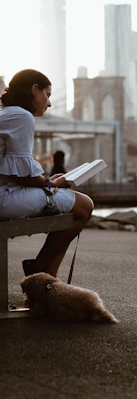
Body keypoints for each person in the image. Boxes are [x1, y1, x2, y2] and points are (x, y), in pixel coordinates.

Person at [0, 69, 93, 276]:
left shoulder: (6, 113)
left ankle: (47, 280)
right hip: (4, 199)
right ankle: (41, 270)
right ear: (34, 89)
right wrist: (52, 184)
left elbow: (16, 172)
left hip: (5, 193)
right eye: (47, 95)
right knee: (84, 206)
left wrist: (48, 181)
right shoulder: (22, 116)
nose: (49, 103)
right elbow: (23, 175)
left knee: (74, 206)